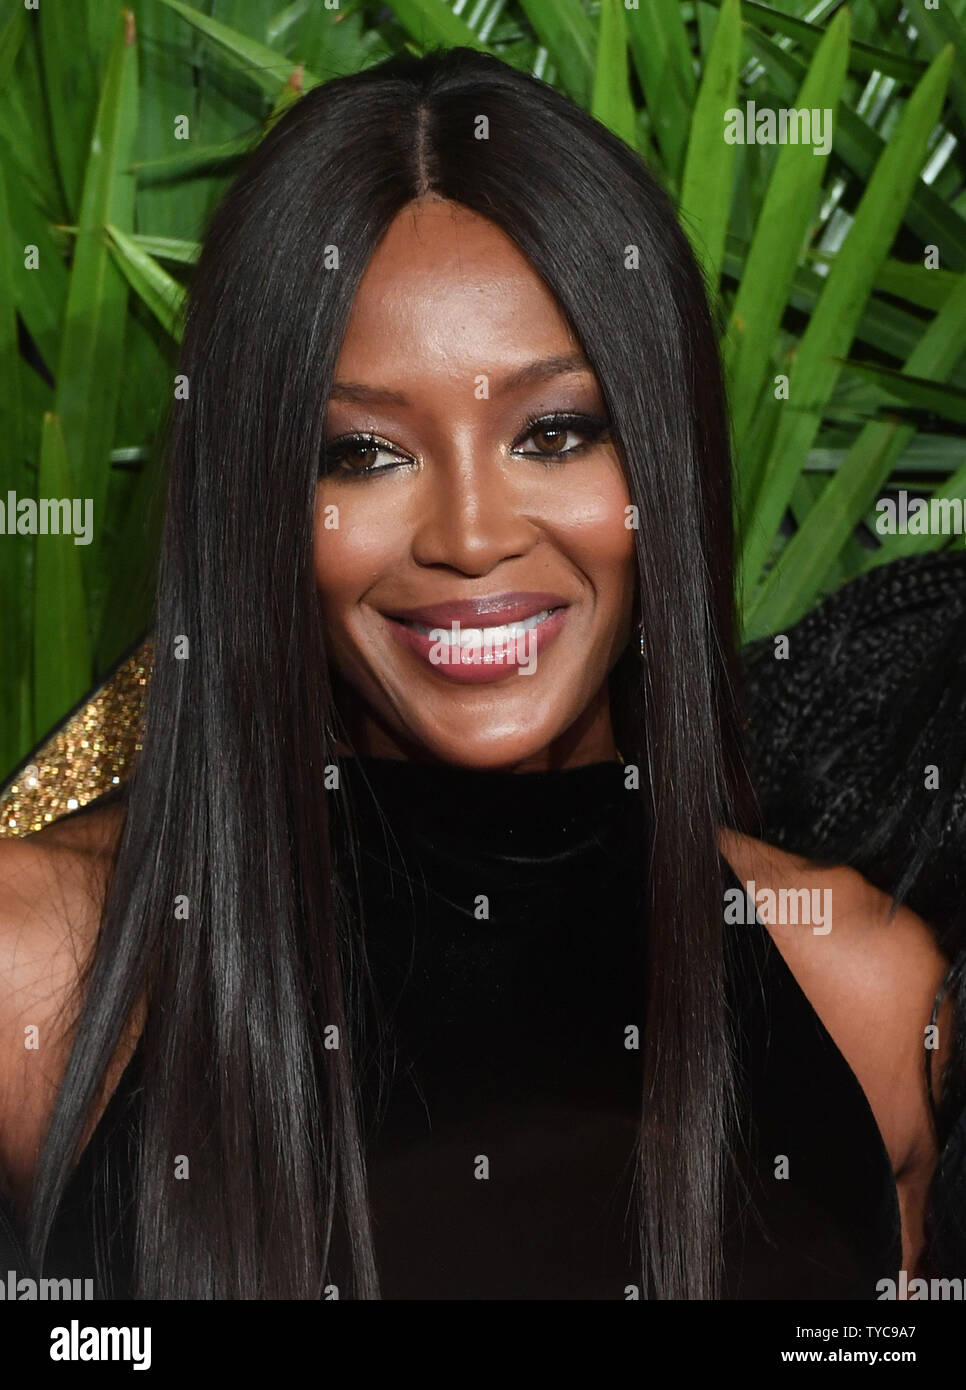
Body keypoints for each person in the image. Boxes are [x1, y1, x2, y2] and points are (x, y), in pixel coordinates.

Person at [0, 46, 959, 1301]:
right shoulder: (40, 964)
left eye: (555, 432)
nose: (469, 532)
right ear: (255, 507)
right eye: (362, 454)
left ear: (658, 467)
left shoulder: (865, 994)